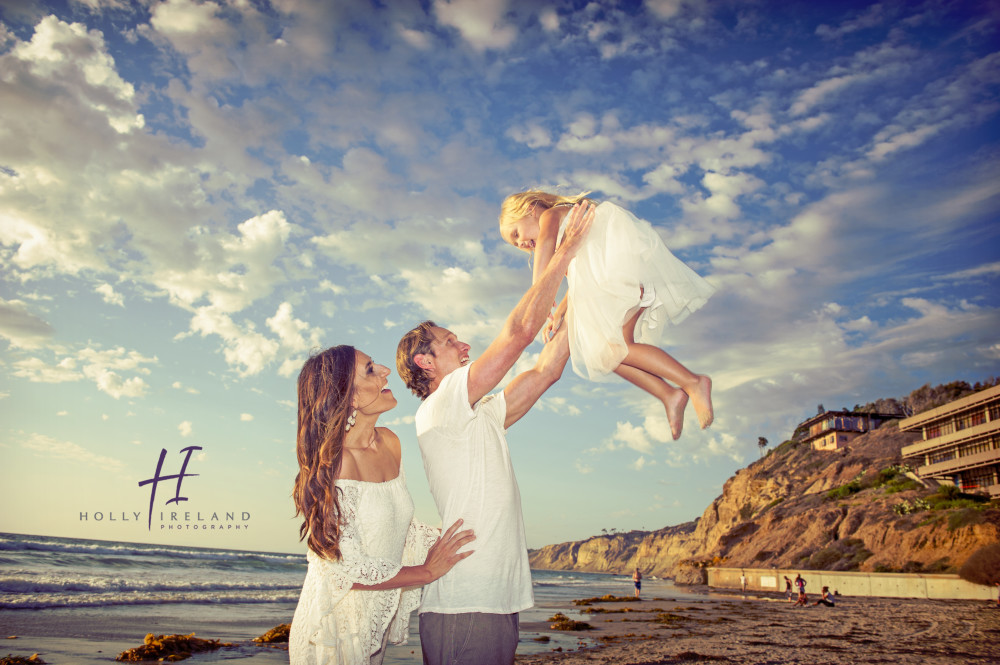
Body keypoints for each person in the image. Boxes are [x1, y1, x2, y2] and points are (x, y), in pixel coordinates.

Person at [396, 203, 595, 665]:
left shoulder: (476, 412)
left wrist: (587, 288)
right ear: (426, 362)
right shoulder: (442, 405)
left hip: (492, 596)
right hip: (467, 599)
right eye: (450, 342)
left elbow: (546, 369)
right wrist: (565, 251)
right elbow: (520, 333)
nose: (464, 346)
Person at [289, 346, 476, 665]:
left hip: (375, 623)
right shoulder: (338, 465)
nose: (386, 370)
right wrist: (427, 571)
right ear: (351, 398)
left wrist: (453, 532)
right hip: (334, 632)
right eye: (371, 369)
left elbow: (394, 522)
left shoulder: (389, 442)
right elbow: (345, 567)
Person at [498, 191, 715, 440]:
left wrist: (539, 292)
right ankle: (670, 394)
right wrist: (558, 312)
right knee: (609, 352)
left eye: (516, 234)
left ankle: (692, 382)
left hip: (620, 276)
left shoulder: (550, 216)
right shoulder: (565, 239)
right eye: (515, 245)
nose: (521, 244)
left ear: (529, 209)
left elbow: (545, 248)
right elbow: (579, 282)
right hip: (618, 279)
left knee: (612, 349)